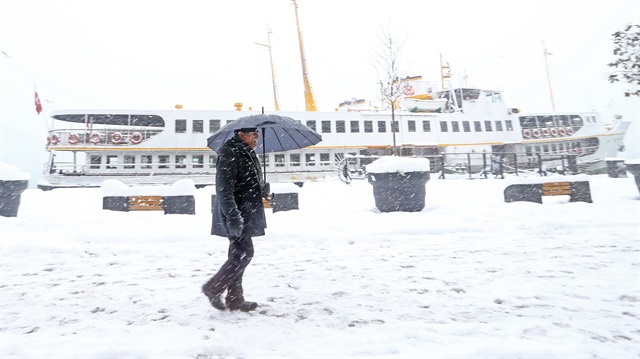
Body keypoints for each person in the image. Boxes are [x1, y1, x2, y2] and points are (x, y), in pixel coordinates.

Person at [202, 127, 270, 312]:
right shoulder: (230, 152)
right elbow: (223, 187)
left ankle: (234, 299)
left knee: (237, 254)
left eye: (257, 135)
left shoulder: (247, 152)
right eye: (253, 135)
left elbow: (246, 180)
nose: (256, 138)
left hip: (245, 211)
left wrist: (262, 188)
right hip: (236, 212)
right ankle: (213, 287)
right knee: (244, 253)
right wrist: (233, 216)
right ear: (241, 135)